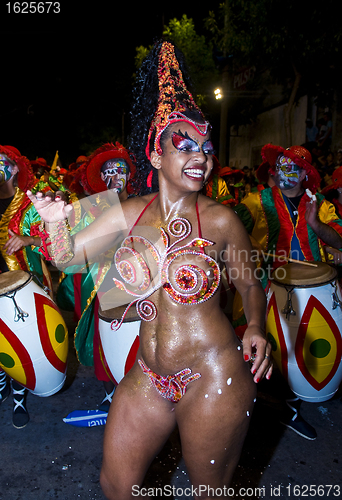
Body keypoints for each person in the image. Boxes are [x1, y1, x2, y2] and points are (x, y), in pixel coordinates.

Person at [27, 40, 272, 499]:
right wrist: (58, 225)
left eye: (206, 147)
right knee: (116, 485)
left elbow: (250, 284)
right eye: (185, 146)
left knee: (210, 492)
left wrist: (256, 325)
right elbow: (67, 258)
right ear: (157, 156)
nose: (200, 156)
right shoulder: (124, 212)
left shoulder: (221, 220)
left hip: (214, 372)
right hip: (147, 373)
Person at [234, 143, 342, 440]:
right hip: (269, 284)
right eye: (281, 167)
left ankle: (294, 399)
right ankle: (283, 407)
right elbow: (229, 226)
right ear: (274, 171)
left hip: (315, 288)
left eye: (293, 167)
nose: (286, 173)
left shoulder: (320, 203)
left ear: (304, 174)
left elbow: (340, 242)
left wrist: (316, 225)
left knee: (306, 347)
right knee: (271, 348)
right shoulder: (257, 201)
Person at [56, 142, 137, 412]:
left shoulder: (144, 201)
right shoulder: (89, 207)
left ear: (130, 173)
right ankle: (109, 394)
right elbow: (69, 251)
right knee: (105, 341)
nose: (115, 176)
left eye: (120, 170)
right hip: (104, 285)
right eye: (108, 172)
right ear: (101, 178)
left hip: (141, 285)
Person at [0, 145, 52, 428]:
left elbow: (56, 245)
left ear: (16, 167)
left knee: (21, 341)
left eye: (2, 162)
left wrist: (27, 240)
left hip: (23, 282)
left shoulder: (31, 204)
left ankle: (19, 393)